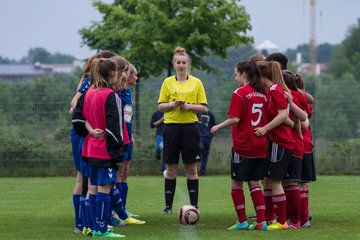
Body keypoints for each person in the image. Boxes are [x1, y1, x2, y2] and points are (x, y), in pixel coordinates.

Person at [211, 60, 268, 230]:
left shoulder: (240, 93)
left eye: (236, 74)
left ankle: (242, 221)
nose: (235, 78)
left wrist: (217, 127)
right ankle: (261, 222)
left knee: (236, 183)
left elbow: (235, 119)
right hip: (260, 145)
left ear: (244, 74)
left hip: (244, 145)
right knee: (255, 183)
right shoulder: (263, 93)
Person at [76, 57, 126, 238]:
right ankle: (101, 230)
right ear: (112, 74)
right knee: (105, 188)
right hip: (104, 151)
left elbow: (78, 120)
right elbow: (115, 128)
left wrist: (89, 129)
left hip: (89, 149)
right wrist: (118, 155)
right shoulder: (110, 95)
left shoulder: (88, 92)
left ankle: (91, 227)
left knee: (92, 188)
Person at [158, 47, 208, 214]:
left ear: (188, 64)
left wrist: (187, 107)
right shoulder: (167, 82)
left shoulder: (196, 83)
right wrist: (172, 104)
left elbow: (203, 108)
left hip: (190, 129)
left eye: (184, 62)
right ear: (174, 65)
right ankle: (168, 207)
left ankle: (195, 205)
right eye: (178, 62)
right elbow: (160, 106)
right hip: (171, 128)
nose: (181, 65)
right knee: (171, 168)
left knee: (191, 169)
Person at [254, 60, 295, 230]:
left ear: (262, 76)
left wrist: (265, 128)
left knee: (275, 181)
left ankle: (282, 222)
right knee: (269, 180)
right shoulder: (271, 90)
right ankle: (270, 219)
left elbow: (281, 115)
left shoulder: (275, 90)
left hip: (280, 141)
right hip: (274, 140)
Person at [282, 71, 308, 229]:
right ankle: (288, 218)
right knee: (286, 183)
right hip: (288, 143)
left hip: (293, 144)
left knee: (292, 182)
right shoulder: (297, 95)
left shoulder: (295, 96)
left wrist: (291, 104)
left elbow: (304, 120)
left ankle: (296, 220)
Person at [197, 109, 215, 176]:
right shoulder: (196, 113)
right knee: (195, 154)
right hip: (198, 138)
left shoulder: (210, 114)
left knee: (205, 155)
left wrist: (210, 136)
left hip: (207, 138)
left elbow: (213, 126)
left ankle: (202, 172)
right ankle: (190, 170)